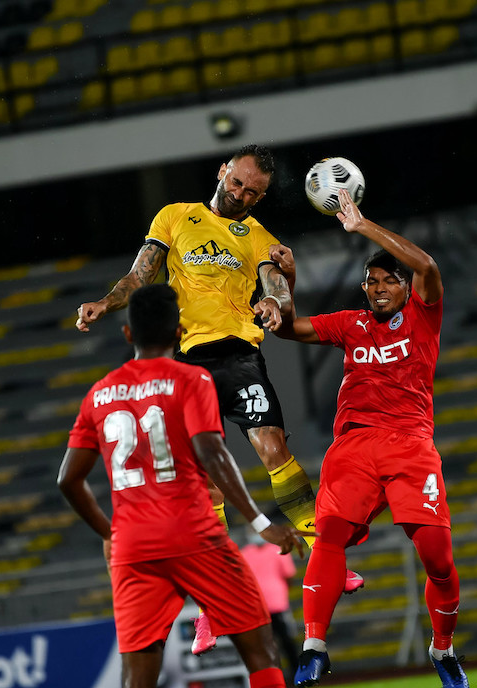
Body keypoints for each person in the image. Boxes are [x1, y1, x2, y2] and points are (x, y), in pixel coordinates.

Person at [74, 144, 362, 653]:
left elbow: (276, 287)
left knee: (275, 449)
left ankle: (325, 552)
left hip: (241, 356)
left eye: (254, 192)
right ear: (222, 171)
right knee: (203, 478)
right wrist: (104, 301)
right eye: (238, 183)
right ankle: (212, 605)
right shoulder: (176, 216)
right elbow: (142, 276)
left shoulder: (258, 237)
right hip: (188, 363)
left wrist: (276, 300)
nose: (242, 195)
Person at [58, 283, 306, 688]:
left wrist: (109, 532)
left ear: (127, 334)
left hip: (134, 546)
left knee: (137, 674)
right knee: (261, 650)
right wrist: (262, 524)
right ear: (179, 333)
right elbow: (213, 454)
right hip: (194, 534)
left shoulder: (99, 395)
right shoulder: (191, 380)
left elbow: (68, 480)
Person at [271, 190, 469, 688]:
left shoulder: (425, 314)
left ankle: (442, 649)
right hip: (355, 445)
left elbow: (425, 263)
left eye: (387, 282)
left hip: (410, 445)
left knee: (438, 560)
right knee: (328, 535)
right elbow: (291, 330)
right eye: (370, 282)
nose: (377, 289)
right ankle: (314, 646)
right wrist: (287, 286)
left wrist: (361, 226)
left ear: (405, 288)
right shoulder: (352, 325)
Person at [240, 528, 301, 681]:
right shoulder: (278, 550)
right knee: (285, 642)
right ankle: (296, 676)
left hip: (259, 605)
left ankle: (274, 678)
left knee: (265, 646)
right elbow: (288, 575)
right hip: (275, 603)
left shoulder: (245, 554)